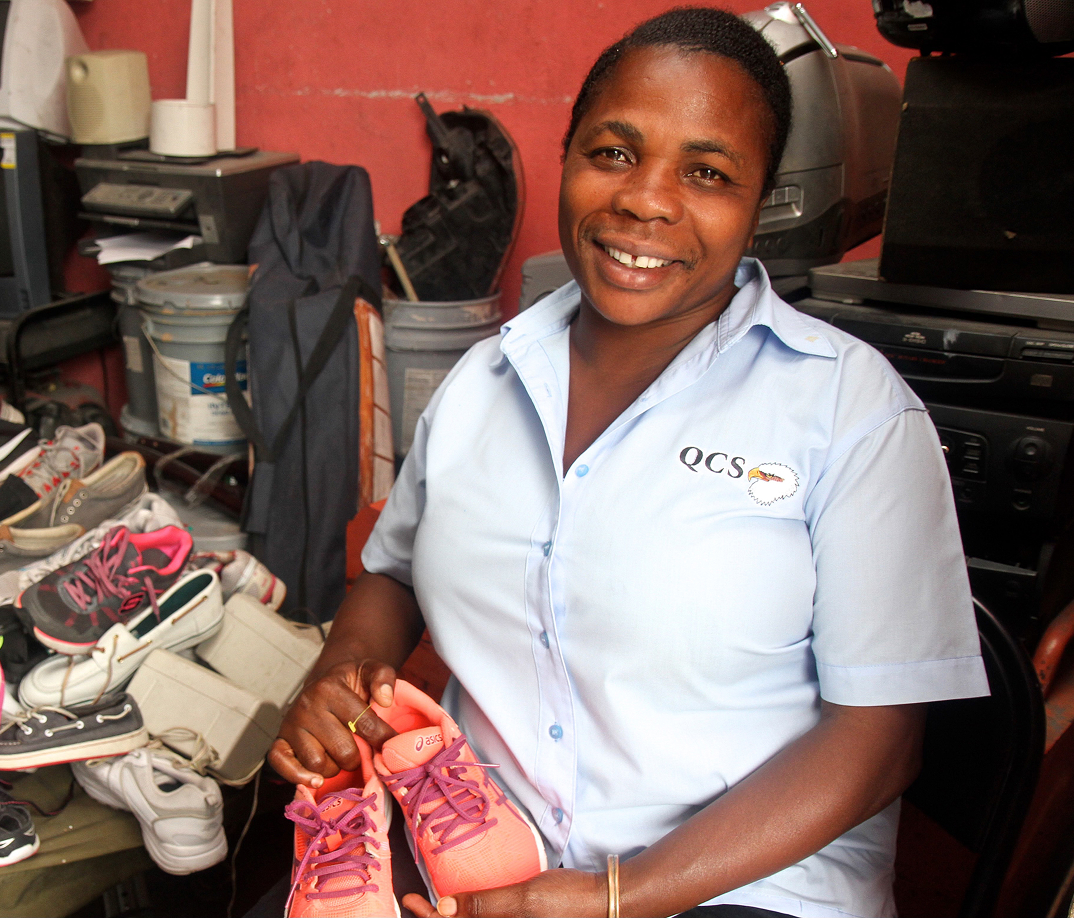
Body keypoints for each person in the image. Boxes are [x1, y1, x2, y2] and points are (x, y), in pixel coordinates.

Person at [268, 8, 991, 918]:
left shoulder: (851, 411)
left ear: (762, 199)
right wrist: (340, 679)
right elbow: (393, 576)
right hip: (483, 853)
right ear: (568, 158)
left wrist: (612, 897)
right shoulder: (484, 382)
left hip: (747, 889)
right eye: (613, 153)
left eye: (707, 172)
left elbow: (881, 742)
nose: (646, 200)